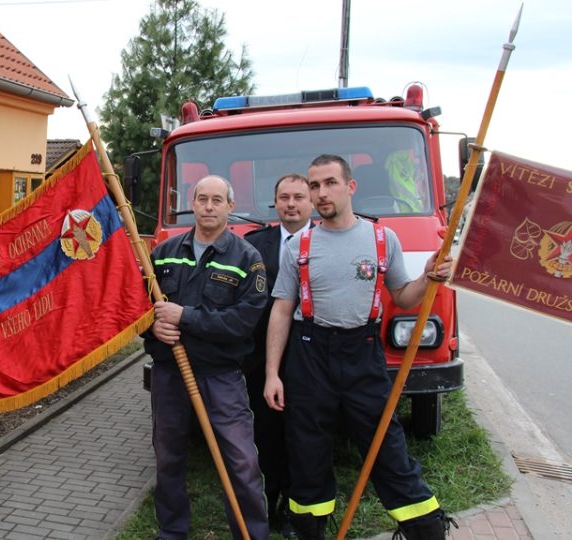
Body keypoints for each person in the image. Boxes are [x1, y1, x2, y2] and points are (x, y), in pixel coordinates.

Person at [263, 155, 454, 540]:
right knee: (307, 449)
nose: (320, 193)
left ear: (350, 187)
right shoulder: (298, 244)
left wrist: (428, 275)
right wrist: (272, 374)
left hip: (362, 354)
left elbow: (402, 295)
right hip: (309, 354)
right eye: (314, 186)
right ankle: (310, 529)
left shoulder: (383, 239)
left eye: (330, 183)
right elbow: (282, 310)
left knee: (385, 442)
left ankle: (425, 529)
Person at [145, 175, 270, 540]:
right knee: (168, 458)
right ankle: (172, 531)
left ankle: (251, 534)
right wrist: (152, 327)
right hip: (170, 375)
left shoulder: (247, 258)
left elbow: (244, 321)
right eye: (202, 199)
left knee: (242, 461)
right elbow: (137, 308)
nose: (209, 206)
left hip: (221, 377)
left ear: (230, 207)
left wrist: (184, 317)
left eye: (218, 200)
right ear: (193, 204)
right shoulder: (163, 252)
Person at [243, 173, 313, 537]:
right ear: (275, 202)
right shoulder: (255, 245)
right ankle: (268, 505)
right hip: (261, 359)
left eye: (298, 197)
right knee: (266, 434)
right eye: (284, 197)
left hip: (309, 358)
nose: (291, 204)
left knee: (304, 436)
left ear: (311, 201)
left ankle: (297, 507)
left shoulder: (327, 241)